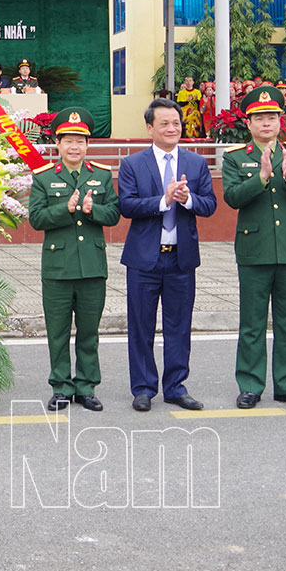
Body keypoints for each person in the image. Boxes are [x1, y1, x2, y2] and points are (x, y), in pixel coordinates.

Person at [221, 86, 286, 410]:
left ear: (280, 121)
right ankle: (250, 384)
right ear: (248, 123)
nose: (267, 123)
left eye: (272, 117)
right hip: (254, 248)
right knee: (252, 321)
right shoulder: (236, 157)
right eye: (260, 118)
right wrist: (261, 176)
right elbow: (232, 197)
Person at [118, 98, 217, 412]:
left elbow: (210, 204)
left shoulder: (196, 163)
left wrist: (188, 200)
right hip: (144, 259)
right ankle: (144, 388)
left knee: (179, 326)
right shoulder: (133, 164)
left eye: (176, 123)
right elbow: (127, 206)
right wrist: (163, 200)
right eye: (164, 123)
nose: (172, 128)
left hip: (181, 259)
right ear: (150, 128)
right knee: (141, 326)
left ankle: (176, 387)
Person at [28, 108, 119, 412]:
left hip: (92, 266)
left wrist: (95, 211)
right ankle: (60, 387)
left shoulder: (102, 176)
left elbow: (115, 215)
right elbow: (36, 219)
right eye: (68, 140)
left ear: (88, 144)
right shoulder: (43, 178)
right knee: (58, 331)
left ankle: (86, 386)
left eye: (80, 141)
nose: (74, 147)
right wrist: (63, 209)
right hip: (57, 268)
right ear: (58, 143)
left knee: (89, 331)